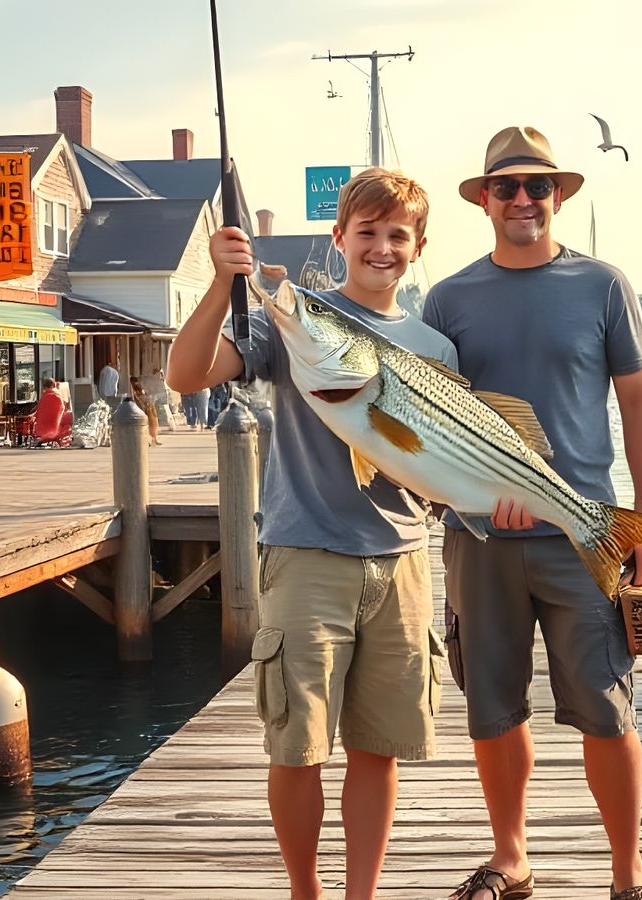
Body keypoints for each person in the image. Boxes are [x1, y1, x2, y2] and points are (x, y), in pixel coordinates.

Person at [165, 167, 453, 900]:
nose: (381, 247)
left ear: (417, 247)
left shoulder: (434, 348)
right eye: (367, 232)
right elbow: (185, 375)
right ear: (340, 237)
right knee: (295, 747)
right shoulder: (294, 321)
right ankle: (305, 891)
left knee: (378, 749)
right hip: (304, 556)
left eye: (397, 235)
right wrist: (216, 283)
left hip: (404, 561)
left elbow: (442, 467)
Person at [424, 126, 642, 900]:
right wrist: (449, 494)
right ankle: (512, 856)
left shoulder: (602, 284)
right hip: (478, 538)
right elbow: (432, 419)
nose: (523, 199)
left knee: (605, 705)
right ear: (485, 200)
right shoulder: (447, 298)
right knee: (492, 704)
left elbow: (637, 402)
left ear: (558, 195)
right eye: (507, 187)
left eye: (537, 186)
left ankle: (629, 875)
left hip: (583, 534)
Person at [33, 377, 73, 447]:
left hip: (41, 430)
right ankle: (59, 439)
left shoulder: (42, 398)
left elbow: (37, 414)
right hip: (56, 429)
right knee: (68, 417)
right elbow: (63, 410)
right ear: (53, 385)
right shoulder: (57, 395)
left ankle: (44, 438)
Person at [129, 375, 162, 446]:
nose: (137, 383)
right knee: (146, 424)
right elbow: (136, 399)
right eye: (135, 382)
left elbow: (146, 395)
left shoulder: (140, 388)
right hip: (142, 407)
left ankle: (154, 439)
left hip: (148, 406)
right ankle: (148, 440)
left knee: (153, 422)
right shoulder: (133, 391)